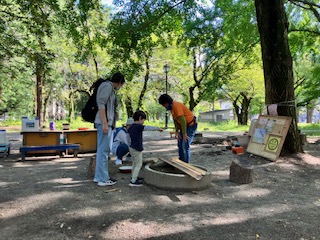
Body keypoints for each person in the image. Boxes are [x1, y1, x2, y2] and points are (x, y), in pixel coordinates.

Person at [93, 72, 125, 187]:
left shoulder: (109, 87)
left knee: (102, 150)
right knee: (104, 151)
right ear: (120, 82)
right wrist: (105, 123)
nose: (120, 87)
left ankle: (99, 177)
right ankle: (103, 178)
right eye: (121, 85)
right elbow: (101, 103)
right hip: (104, 123)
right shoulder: (107, 86)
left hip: (106, 123)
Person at [158, 94, 197, 163]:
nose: (164, 107)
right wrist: (177, 131)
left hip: (191, 125)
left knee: (185, 144)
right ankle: (181, 162)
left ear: (167, 102)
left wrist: (184, 134)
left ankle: (186, 164)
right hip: (183, 126)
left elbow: (183, 120)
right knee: (180, 144)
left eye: (164, 105)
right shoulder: (172, 108)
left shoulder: (176, 106)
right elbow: (175, 120)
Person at [128, 110, 162, 187]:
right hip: (137, 148)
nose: (143, 122)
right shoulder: (138, 127)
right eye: (143, 120)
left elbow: (128, 138)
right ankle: (133, 181)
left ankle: (133, 177)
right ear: (140, 118)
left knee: (134, 163)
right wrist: (158, 128)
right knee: (139, 164)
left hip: (131, 147)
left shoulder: (131, 127)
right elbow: (148, 128)